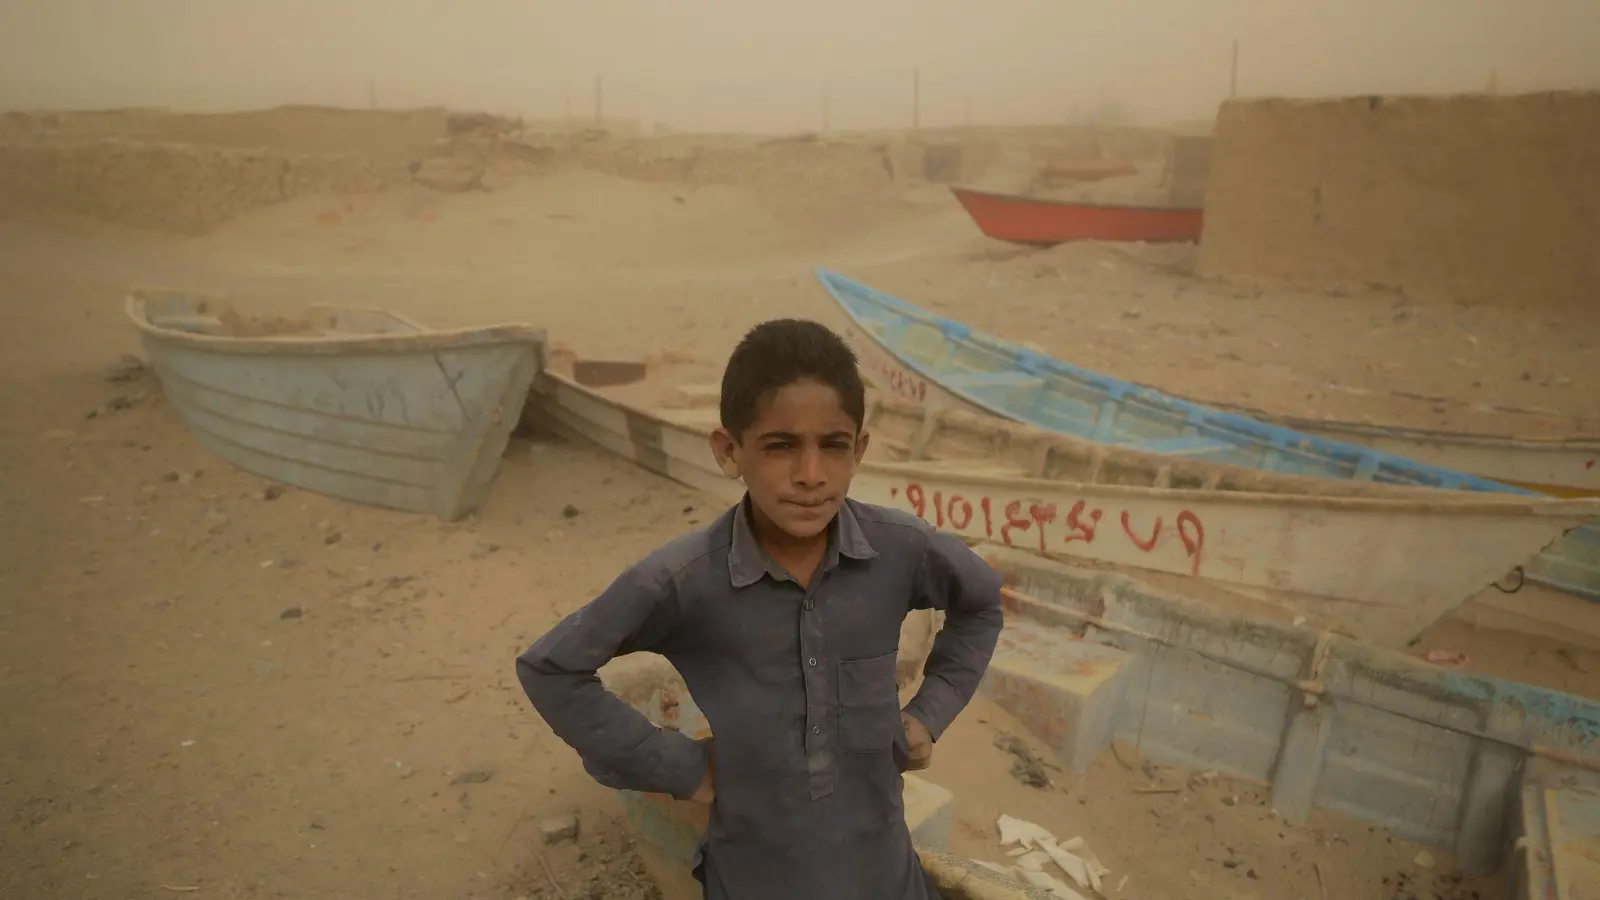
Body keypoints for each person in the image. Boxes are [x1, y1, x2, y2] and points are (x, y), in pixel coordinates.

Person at [516, 318, 1004, 900]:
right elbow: (551, 668)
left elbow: (980, 603)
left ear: (860, 450)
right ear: (730, 451)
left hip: (882, 869)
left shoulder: (901, 549)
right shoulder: (684, 579)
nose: (810, 474)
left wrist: (929, 711)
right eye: (780, 446)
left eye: (833, 446)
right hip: (752, 874)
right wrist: (681, 768)